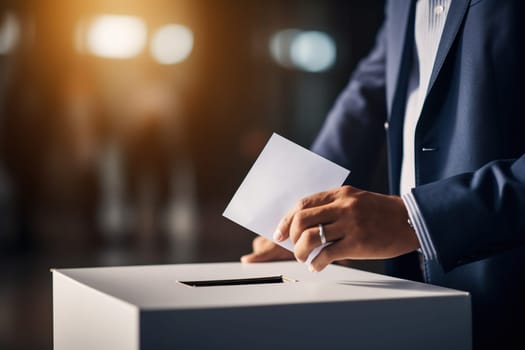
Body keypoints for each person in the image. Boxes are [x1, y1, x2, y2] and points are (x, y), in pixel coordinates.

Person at [241, 1, 525, 349]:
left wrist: (418, 219)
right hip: (409, 284)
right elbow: (370, 89)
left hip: (508, 283)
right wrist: (301, 214)